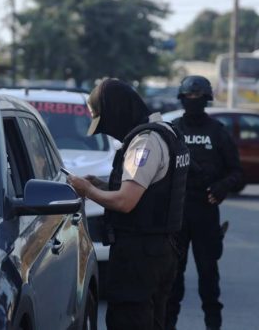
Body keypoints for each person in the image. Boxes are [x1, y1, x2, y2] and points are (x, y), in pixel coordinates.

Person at [67, 78, 190, 330]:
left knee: (128, 321)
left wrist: (87, 190)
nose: (108, 131)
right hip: (161, 250)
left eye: (106, 124)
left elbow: (125, 202)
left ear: (118, 112)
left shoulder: (145, 142)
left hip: (139, 256)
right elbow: (153, 189)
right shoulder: (168, 132)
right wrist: (102, 185)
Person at [165, 76, 243, 330]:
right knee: (172, 280)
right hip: (178, 213)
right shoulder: (174, 130)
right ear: (182, 100)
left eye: (198, 99)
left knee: (208, 279)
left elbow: (236, 172)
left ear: (207, 100)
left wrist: (222, 187)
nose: (193, 103)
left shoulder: (218, 132)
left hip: (206, 211)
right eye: (189, 98)